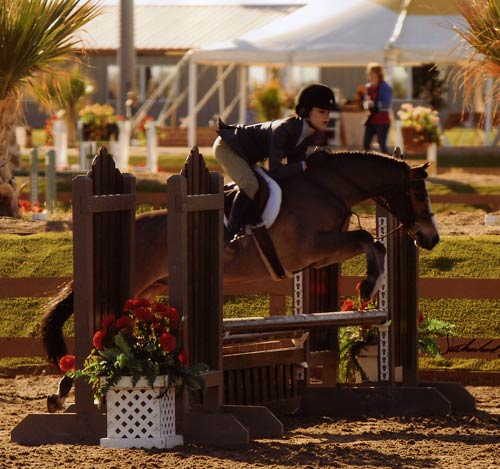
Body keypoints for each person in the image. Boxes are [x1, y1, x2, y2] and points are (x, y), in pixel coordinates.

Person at [213, 83, 337, 245]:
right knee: (250, 184)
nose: (326, 117)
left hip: (246, 153)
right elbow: (275, 171)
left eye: (328, 112)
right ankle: (230, 234)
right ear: (305, 112)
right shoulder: (283, 130)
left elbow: (296, 169)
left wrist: (312, 166)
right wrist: (306, 164)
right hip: (228, 146)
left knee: (261, 184)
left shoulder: (305, 134)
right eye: (321, 112)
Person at [363, 63, 392, 154]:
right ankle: (371, 164)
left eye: (372, 73)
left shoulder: (385, 87)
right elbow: (366, 102)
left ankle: (389, 165)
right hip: (371, 119)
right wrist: (366, 105)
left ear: (378, 74)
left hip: (382, 120)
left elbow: (387, 104)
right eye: (369, 73)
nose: (370, 75)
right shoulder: (368, 87)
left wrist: (374, 104)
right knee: (366, 144)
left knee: (382, 145)